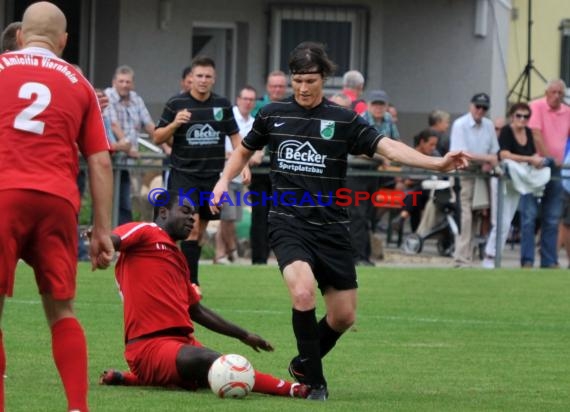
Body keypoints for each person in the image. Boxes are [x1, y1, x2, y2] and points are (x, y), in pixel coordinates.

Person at [210, 41, 469, 400]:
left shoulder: (343, 119)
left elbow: (388, 147)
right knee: (301, 292)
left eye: (310, 80)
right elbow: (243, 149)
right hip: (288, 221)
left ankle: (303, 362)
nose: (302, 87)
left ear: (324, 79)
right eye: (297, 79)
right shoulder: (272, 114)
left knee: (344, 316)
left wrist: (436, 163)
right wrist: (224, 180)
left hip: (331, 228)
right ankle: (314, 383)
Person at [0, 3, 114, 411]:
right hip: (57, 200)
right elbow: (100, 161)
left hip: (4, 194)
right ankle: (77, 408)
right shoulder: (79, 83)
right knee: (61, 309)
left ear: (19, 36)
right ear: (64, 41)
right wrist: (102, 230)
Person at [98, 190, 308, 398]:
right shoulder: (146, 231)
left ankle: (293, 389)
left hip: (181, 345)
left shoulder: (178, 259)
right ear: (163, 212)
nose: (192, 218)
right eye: (186, 211)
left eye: (194, 214)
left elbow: (196, 310)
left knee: (219, 371)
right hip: (149, 347)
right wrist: (98, 242)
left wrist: (244, 335)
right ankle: (289, 389)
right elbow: (113, 240)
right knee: (219, 365)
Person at [153, 56, 248, 291]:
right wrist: (175, 124)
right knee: (191, 227)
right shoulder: (177, 103)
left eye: (208, 76)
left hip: (212, 178)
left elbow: (235, 138)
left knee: (200, 230)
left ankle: (184, 277)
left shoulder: (222, 105)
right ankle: (190, 283)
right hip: (184, 175)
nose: (203, 80)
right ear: (190, 79)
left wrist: (243, 163)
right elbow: (157, 137)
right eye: (199, 76)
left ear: (214, 79)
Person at [482, 103, 547, 268]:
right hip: (502, 178)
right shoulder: (506, 131)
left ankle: (495, 256)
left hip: (518, 181)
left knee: (508, 220)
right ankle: (490, 257)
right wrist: (529, 160)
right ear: (512, 116)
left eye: (526, 116)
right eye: (519, 115)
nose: (522, 119)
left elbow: (532, 153)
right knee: (501, 221)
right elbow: (504, 154)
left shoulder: (528, 133)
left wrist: (536, 161)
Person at [520, 79, 570, 268]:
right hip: (536, 167)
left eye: (560, 93)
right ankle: (527, 260)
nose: (557, 96)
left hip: (556, 169)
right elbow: (536, 134)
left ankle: (549, 261)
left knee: (552, 216)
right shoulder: (536, 107)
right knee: (529, 217)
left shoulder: (567, 111)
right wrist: (549, 158)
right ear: (547, 92)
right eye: (554, 92)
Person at [449, 93, 499, 267]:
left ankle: (468, 255)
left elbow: (494, 153)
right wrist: (487, 159)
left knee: (478, 213)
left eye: (484, 108)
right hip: (463, 174)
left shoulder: (489, 125)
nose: (480, 110)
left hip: (481, 174)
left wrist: (488, 160)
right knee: (465, 214)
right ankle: (461, 256)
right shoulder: (460, 124)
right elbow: (462, 155)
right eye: (478, 106)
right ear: (471, 106)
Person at [104, 65, 155, 225]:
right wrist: (128, 146)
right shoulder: (108, 96)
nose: (125, 85)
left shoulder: (136, 98)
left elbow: (148, 124)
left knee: (126, 201)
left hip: (127, 161)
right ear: (114, 82)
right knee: (106, 201)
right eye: (121, 81)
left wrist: (166, 145)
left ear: (132, 84)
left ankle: (123, 239)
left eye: (128, 82)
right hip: (109, 159)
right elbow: (113, 124)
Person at [249, 70, 288, 264]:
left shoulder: (292, 106)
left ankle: (286, 258)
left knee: (285, 216)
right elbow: (253, 133)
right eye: (274, 86)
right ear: (267, 87)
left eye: (281, 86)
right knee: (259, 214)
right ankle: (259, 259)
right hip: (260, 171)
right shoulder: (257, 107)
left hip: (285, 172)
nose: (277, 89)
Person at [214, 85, 257, 264]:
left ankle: (221, 254)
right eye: (244, 99)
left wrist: (247, 158)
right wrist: (239, 156)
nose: (247, 102)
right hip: (223, 173)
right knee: (228, 216)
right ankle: (231, 251)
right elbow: (220, 146)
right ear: (238, 99)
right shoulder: (228, 116)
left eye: (251, 99)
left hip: (240, 175)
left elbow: (256, 149)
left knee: (231, 217)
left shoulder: (254, 121)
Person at [393, 129, 441, 232]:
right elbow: (404, 177)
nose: (433, 148)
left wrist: (416, 180)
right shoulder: (410, 154)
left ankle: (403, 217)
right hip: (414, 193)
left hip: (431, 193)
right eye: (431, 144)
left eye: (435, 145)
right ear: (422, 142)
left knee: (417, 193)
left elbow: (438, 176)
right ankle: (415, 235)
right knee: (415, 198)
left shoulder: (435, 155)